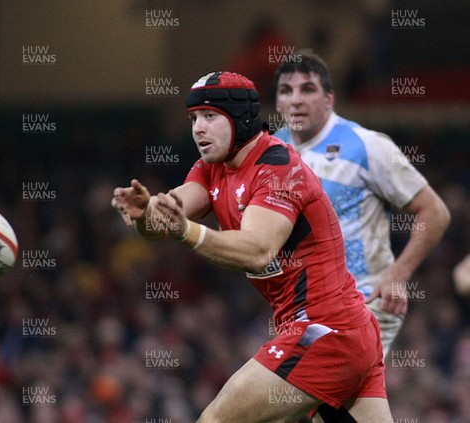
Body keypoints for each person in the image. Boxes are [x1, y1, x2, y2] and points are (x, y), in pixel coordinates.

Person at [112, 71, 393, 421]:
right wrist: (144, 213)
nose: (198, 127)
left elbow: (257, 250)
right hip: (346, 333)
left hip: (324, 331)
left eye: (210, 116)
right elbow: (170, 215)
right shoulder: (211, 169)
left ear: (241, 118)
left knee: (216, 420)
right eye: (194, 118)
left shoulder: (278, 167)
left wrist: (186, 231)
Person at [270, 52, 451, 357]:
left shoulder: (368, 145)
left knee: (296, 393)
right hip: (303, 310)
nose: (296, 100)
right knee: (336, 404)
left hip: (364, 304)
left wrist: (398, 274)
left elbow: (435, 211)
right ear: (277, 103)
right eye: (287, 91)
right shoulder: (274, 149)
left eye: (308, 89)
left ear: (329, 99)